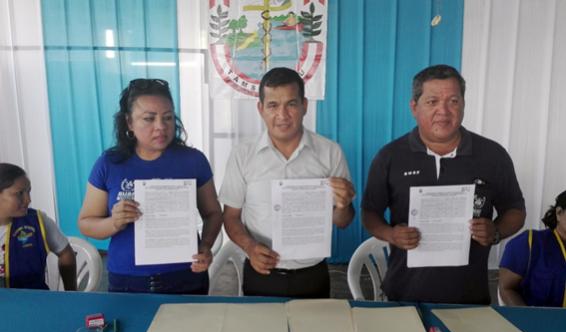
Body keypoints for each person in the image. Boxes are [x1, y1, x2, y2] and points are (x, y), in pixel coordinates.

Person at [361, 64, 526, 304]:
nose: (444, 111)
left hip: (469, 296)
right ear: (414, 107)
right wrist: (391, 234)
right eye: (432, 102)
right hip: (404, 293)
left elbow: (515, 210)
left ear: (463, 105)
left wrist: (496, 231)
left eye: (453, 101)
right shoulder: (390, 156)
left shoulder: (492, 155)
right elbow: (370, 213)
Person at [220, 67, 356, 298]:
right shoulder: (242, 154)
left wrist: (343, 206)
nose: (282, 114)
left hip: (313, 274)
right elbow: (230, 217)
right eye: (273, 105)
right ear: (261, 109)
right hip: (261, 272)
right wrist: (251, 248)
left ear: (304, 106)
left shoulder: (330, 152)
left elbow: (343, 222)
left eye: (291, 104)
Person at [78, 78, 222, 294]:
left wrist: (206, 246)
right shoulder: (110, 163)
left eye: (168, 117)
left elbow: (213, 213)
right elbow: (86, 223)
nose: (160, 127)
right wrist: (114, 222)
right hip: (127, 278)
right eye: (149, 119)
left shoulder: (193, 161)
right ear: (129, 122)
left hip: (186, 274)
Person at [0, 163, 76, 290]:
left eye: (28, 192)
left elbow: (66, 253)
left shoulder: (38, 221)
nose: (28, 200)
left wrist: (71, 291)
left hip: (33, 302)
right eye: (19, 193)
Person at [499, 190, 566, 307]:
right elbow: (506, 288)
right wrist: (527, 318)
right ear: (559, 213)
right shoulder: (529, 243)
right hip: (540, 321)